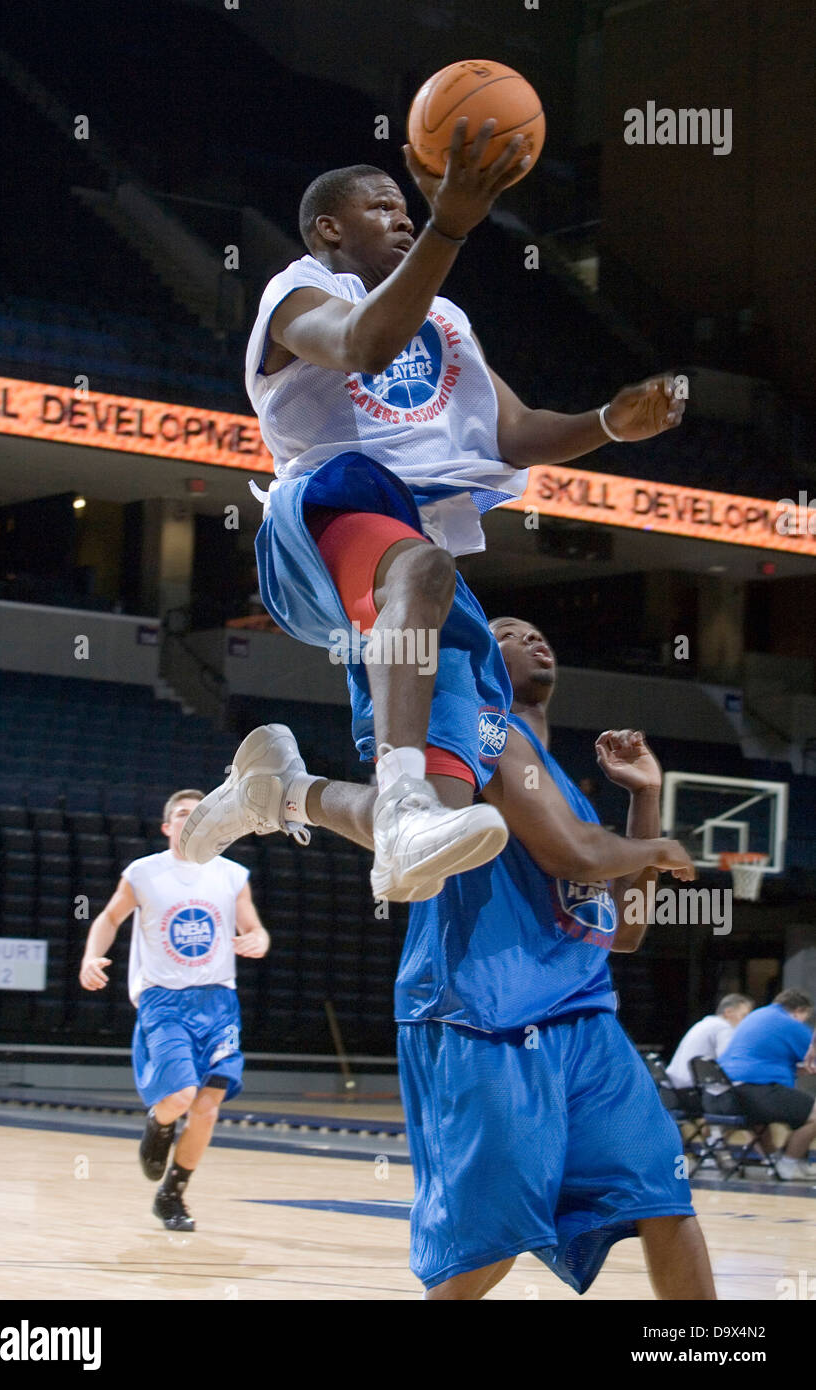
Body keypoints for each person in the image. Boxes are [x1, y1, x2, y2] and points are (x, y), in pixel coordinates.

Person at [181, 124, 686, 902]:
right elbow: (363, 345)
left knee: (448, 814)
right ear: (329, 229)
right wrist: (451, 224)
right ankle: (405, 788)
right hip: (321, 518)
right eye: (383, 208)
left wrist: (612, 423)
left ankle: (282, 795)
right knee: (420, 559)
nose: (404, 217)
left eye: (407, 209)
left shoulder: (446, 320)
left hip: (404, 562)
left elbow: (513, 432)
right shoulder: (301, 291)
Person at [187, 619, 710, 1299]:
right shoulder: (480, 737)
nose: (534, 638)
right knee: (489, 1243)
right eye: (512, 633)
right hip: (482, 1013)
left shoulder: (570, 796)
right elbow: (573, 855)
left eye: (538, 631)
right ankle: (289, 791)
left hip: (585, 1024)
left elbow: (628, 931)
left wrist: (645, 797)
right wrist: (658, 850)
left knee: (662, 1196)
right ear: (484, 656)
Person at [78, 789, 269, 1230]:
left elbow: (253, 926)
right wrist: (91, 957)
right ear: (168, 826)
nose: (192, 819)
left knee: (207, 1106)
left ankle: (172, 1194)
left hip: (218, 1000)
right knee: (180, 1098)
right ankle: (158, 1125)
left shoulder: (232, 874)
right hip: (164, 998)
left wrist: (257, 939)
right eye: (183, 814)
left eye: (200, 813)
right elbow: (108, 919)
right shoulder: (144, 873)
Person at [717, 989, 816, 1180]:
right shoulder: (789, 1023)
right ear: (799, 1011)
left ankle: (775, 1162)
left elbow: (762, 1059)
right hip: (756, 1090)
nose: (804, 1022)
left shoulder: (757, 1016)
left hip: (727, 1094)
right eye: (805, 1017)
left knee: (759, 1120)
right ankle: (789, 1164)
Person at [666, 994, 753, 1094]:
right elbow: (730, 1062)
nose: (747, 1021)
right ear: (728, 1012)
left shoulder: (704, 1024)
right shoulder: (723, 1028)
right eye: (744, 1015)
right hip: (694, 1090)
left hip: (675, 1086)